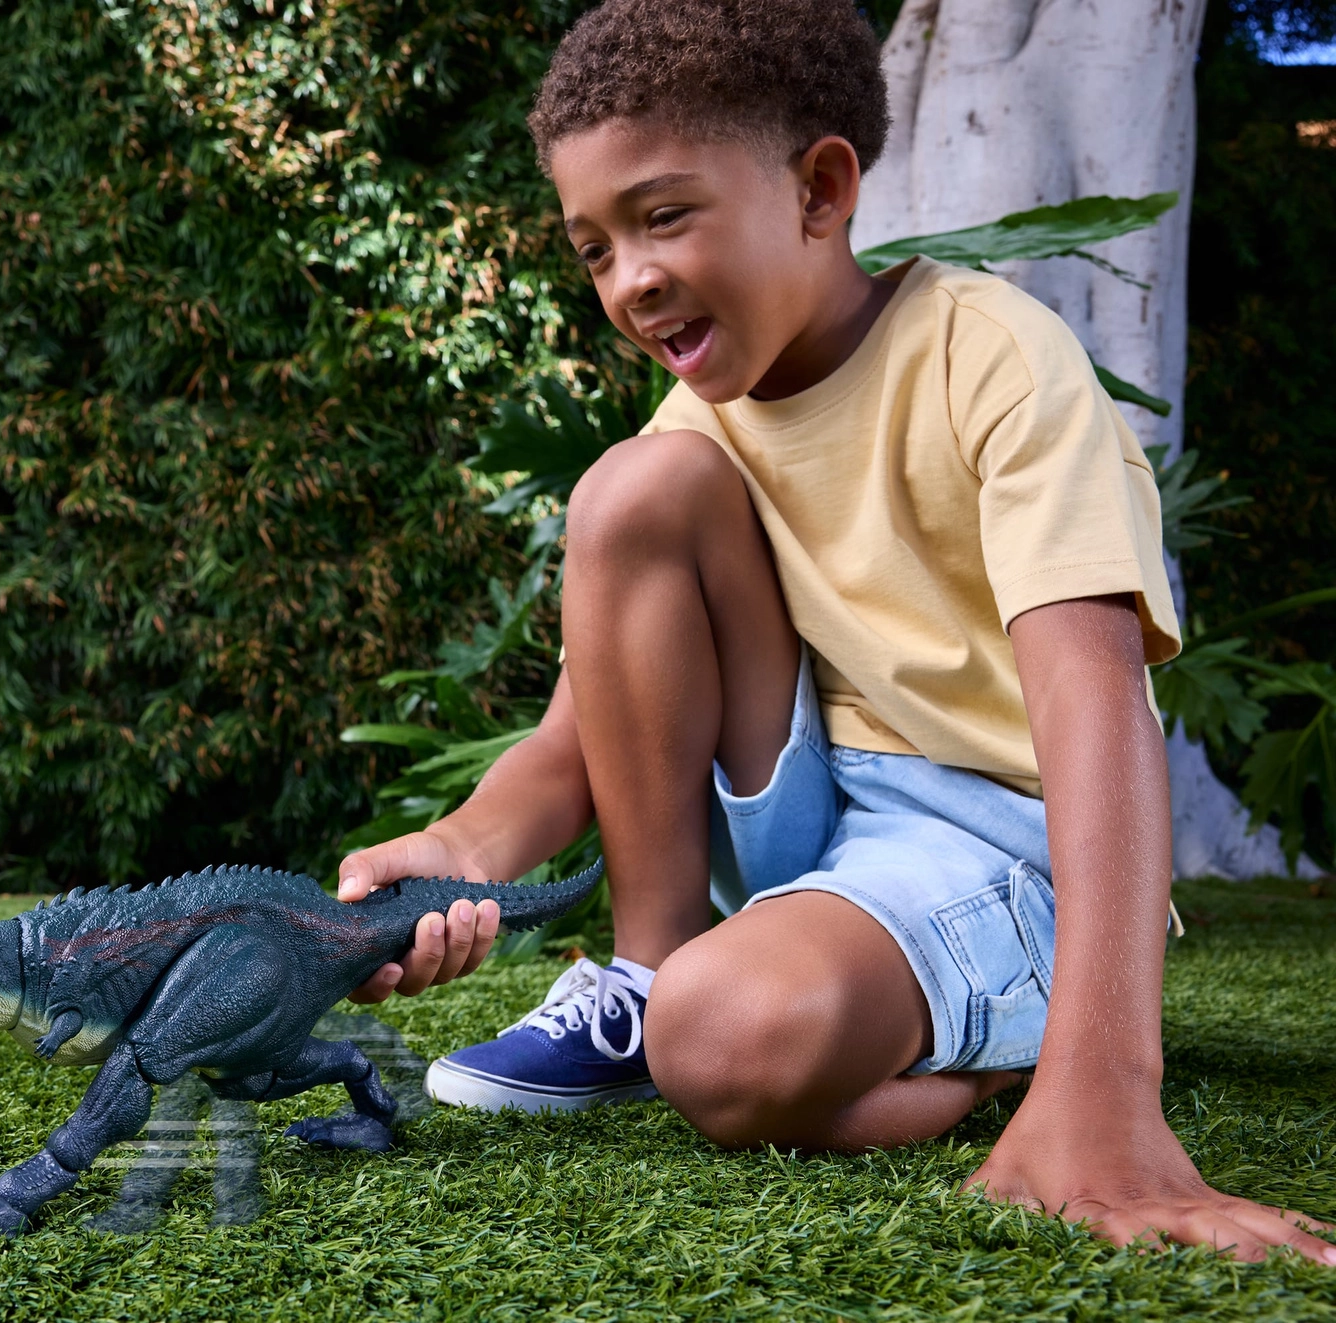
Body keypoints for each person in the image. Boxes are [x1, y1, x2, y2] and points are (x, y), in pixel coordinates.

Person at [334, 0, 1334, 1264]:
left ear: (819, 190)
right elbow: (574, 736)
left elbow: (1094, 708)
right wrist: (454, 854)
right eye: (593, 249)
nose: (629, 280)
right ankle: (650, 978)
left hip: (998, 840)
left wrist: (1106, 1083)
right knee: (630, 493)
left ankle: (998, 1043)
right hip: (817, 809)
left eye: (662, 216)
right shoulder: (694, 423)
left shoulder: (990, 359)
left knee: (723, 1043)